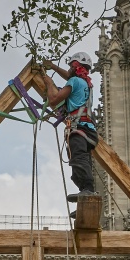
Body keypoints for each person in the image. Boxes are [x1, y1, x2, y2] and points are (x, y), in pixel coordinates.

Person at [42, 52, 99, 202]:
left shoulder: (74, 81)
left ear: (76, 67)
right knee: (80, 161)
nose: (68, 70)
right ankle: (85, 195)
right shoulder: (86, 83)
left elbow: (53, 100)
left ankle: (87, 190)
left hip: (79, 128)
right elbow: (69, 77)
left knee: (78, 159)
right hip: (88, 130)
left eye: (70, 67)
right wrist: (53, 66)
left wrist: (48, 83)